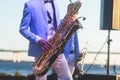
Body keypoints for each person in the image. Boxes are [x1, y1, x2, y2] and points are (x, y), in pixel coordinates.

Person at [19, 0, 77, 80]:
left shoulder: (55, 3)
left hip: (56, 46)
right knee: (41, 78)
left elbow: (57, 25)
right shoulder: (30, 5)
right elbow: (23, 29)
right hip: (42, 48)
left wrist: (67, 21)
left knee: (67, 78)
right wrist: (38, 40)